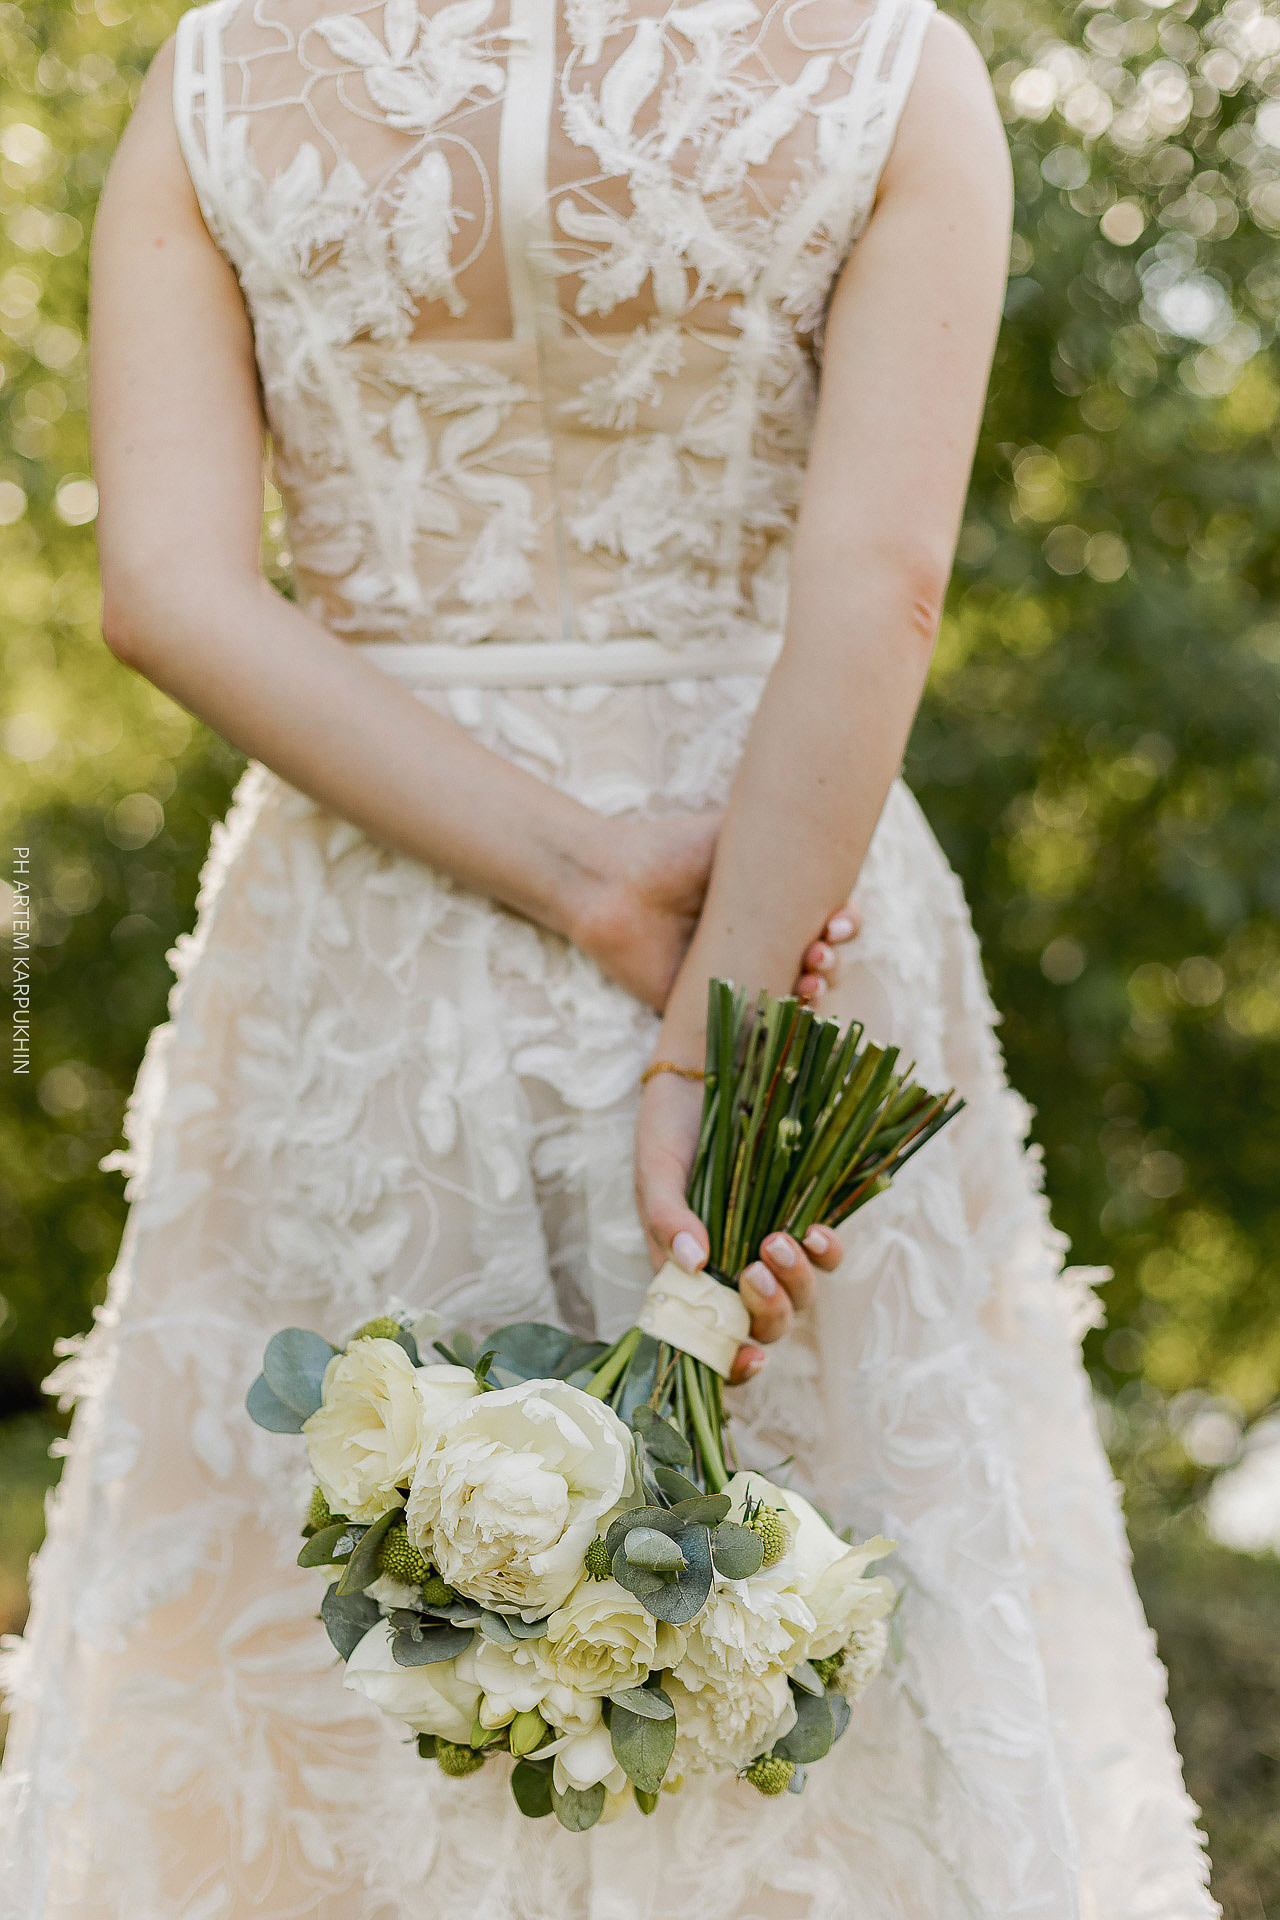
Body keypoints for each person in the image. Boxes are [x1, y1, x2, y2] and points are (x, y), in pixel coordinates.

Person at [0, 1, 1218, 1914]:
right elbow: (878, 584)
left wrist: (578, 878)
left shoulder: (217, 75)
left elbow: (167, 591)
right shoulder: (897, 69)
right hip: (785, 885)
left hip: (371, 920)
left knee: (327, 1675)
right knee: (848, 1646)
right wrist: (713, 1038)